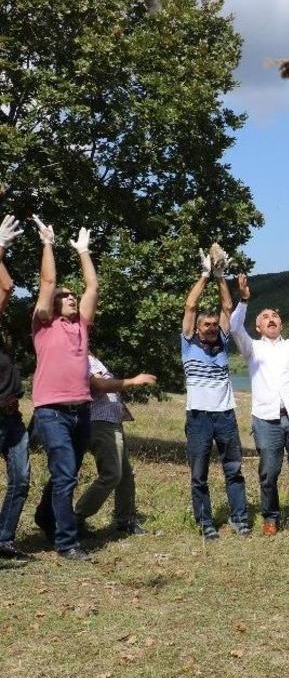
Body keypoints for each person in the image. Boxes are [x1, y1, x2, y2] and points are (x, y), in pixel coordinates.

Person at [231, 274, 289, 535]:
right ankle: (271, 517)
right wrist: (244, 299)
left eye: (274, 316)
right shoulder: (251, 348)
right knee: (269, 472)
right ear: (258, 327)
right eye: (265, 317)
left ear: (281, 323)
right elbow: (235, 327)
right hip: (266, 419)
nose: (271, 319)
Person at [29, 218, 98, 560]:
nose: (70, 297)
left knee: (64, 474)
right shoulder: (43, 323)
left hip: (81, 410)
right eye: (64, 296)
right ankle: (66, 542)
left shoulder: (81, 325)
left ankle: (46, 516)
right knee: (66, 475)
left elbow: (92, 288)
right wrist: (48, 244)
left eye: (72, 295)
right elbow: (48, 281)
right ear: (53, 304)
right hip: (51, 411)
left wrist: (84, 252)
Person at [181, 249, 251, 540]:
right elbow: (190, 305)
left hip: (225, 416)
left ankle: (239, 518)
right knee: (199, 475)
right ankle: (206, 522)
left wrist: (222, 278)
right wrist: (205, 275)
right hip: (198, 417)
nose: (211, 328)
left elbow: (228, 308)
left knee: (233, 470)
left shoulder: (222, 343)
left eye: (213, 325)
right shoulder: (188, 343)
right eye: (205, 325)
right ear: (197, 329)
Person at [74, 354, 156, 536]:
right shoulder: (80, 358)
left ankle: (125, 519)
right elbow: (100, 385)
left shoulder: (92, 358)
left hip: (112, 422)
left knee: (125, 474)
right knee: (112, 474)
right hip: (100, 423)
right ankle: (77, 517)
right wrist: (133, 381)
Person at [0, 215, 30, 559]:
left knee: (20, 479)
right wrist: (2, 245)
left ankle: (5, 538)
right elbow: (6, 288)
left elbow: (6, 286)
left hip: (12, 415)